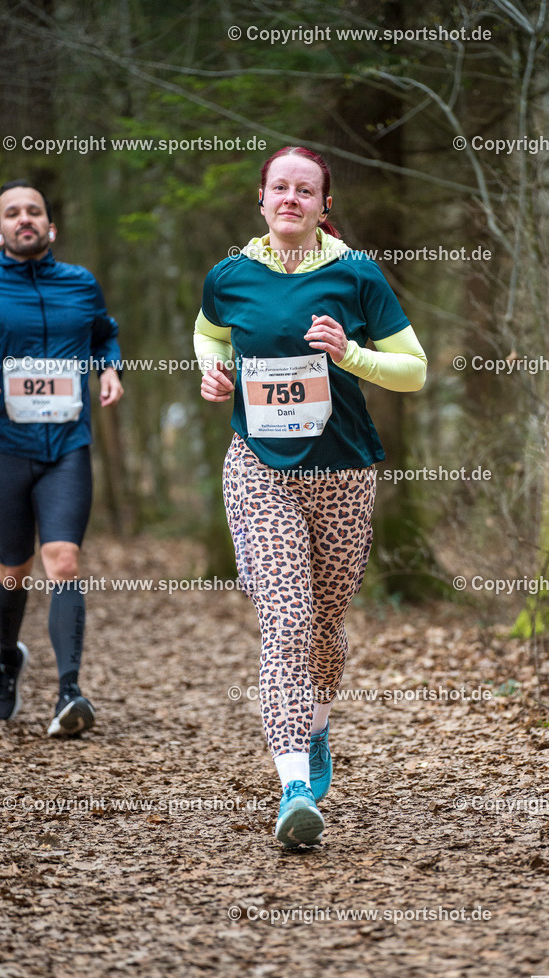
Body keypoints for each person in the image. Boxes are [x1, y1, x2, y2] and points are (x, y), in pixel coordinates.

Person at [194, 146, 427, 848]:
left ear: (324, 205)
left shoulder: (355, 274)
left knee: (325, 622)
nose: (290, 198)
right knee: (286, 619)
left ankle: (315, 723)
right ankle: (294, 784)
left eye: (305, 190)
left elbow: (413, 371)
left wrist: (348, 354)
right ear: (260, 199)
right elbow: (207, 336)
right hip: (257, 466)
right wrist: (213, 373)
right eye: (278, 188)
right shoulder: (228, 277)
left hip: (343, 469)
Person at [0, 180, 124, 736]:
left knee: (63, 559)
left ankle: (69, 691)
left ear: (50, 226)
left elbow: (105, 335)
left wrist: (109, 368)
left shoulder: (81, 285)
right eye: (12, 213)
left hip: (66, 445)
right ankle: (9, 654)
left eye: (33, 210)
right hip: (2, 448)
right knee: (14, 568)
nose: (24, 219)